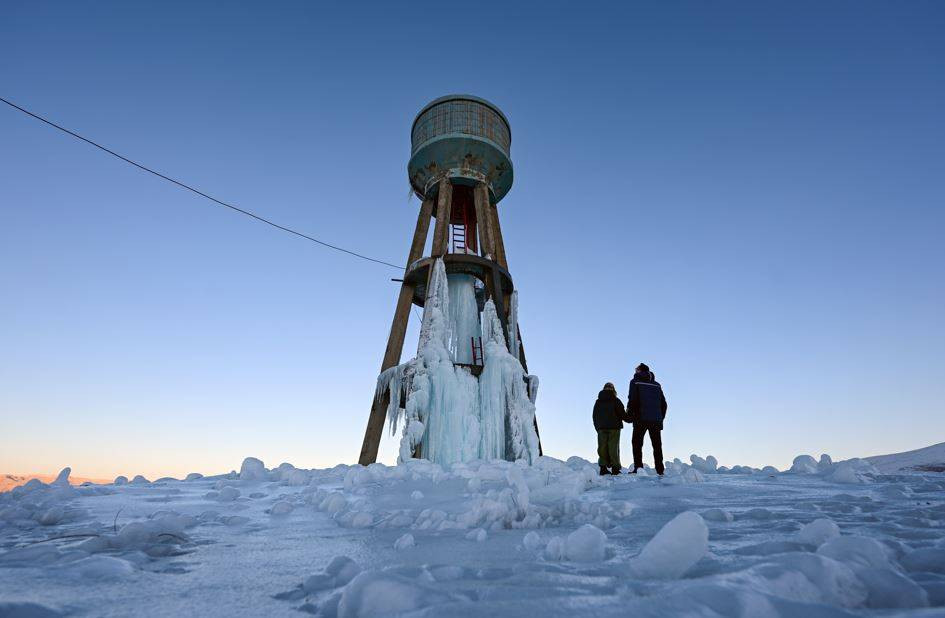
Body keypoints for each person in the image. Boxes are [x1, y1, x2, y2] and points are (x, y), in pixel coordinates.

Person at [627, 363, 668, 475]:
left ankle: (638, 468)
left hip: (640, 418)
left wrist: (630, 415)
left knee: (637, 443)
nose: (635, 371)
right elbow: (664, 404)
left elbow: (632, 399)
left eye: (636, 369)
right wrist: (660, 417)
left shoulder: (635, 381)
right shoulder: (657, 385)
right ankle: (660, 470)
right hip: (655, 420)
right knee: (657, 445)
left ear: (640, 370)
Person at [593, 382, 627, 476]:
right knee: (613, 448)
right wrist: (631, 418)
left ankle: (603, 468)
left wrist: (598, 427)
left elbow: (594, 416)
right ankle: (615, 469)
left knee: (602, 448)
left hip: (601, 428)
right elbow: (622, 414)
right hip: (614, 427)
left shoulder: (598, 401)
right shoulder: (616, 400)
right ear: (613, 389)